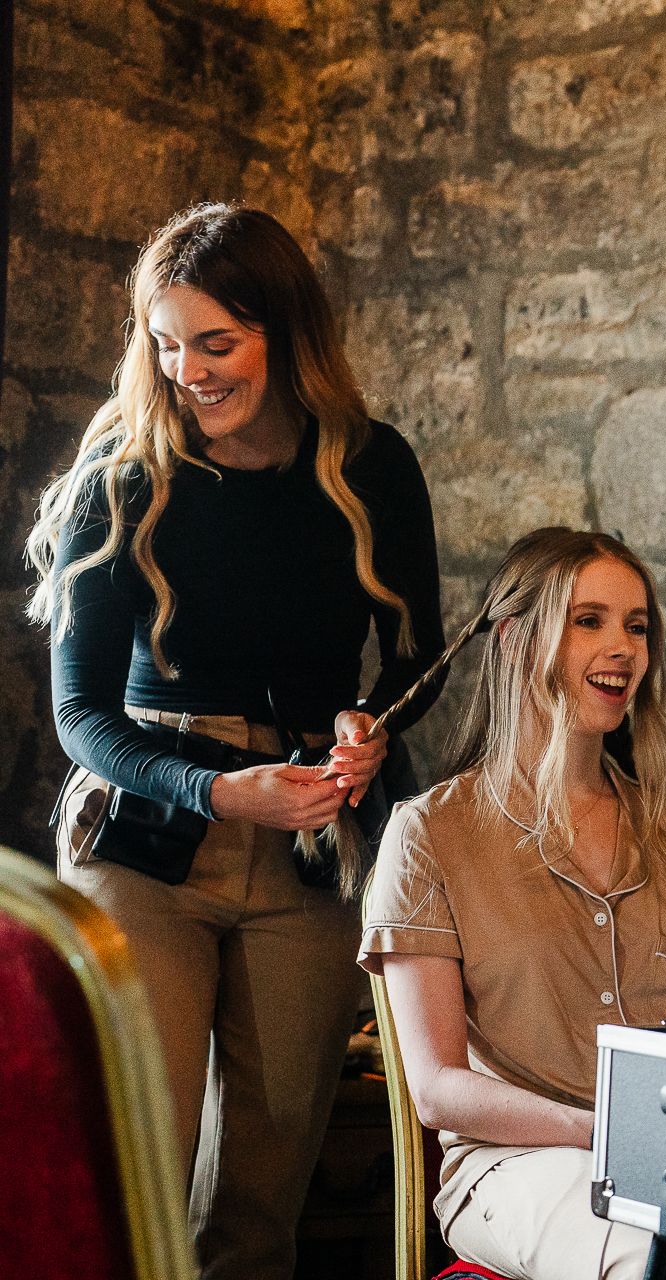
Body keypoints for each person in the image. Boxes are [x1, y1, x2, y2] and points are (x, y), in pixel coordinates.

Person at [27, 203, 445, 1278]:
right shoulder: (119, 478)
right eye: (166, 344)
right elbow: (81, 719)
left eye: (217, 343)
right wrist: (219, 792)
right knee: (136, 1180)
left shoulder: (374, 467)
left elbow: (416, 661)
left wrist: (369, 729)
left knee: (264, 1196)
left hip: (313, 842)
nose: (188, 371)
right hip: (146, 844)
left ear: (288, 334)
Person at [360, 528, 666, 1280]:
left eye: (637, 627)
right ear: (513, 642)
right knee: (662, 1261)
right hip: (511, 1171)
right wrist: (600, 1131)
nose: (624, 648)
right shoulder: (429, 835)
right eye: (589, 620)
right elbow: (438, 1089)